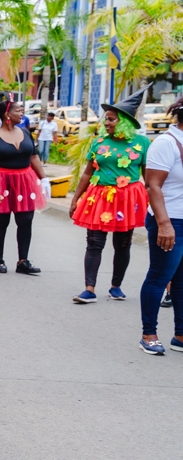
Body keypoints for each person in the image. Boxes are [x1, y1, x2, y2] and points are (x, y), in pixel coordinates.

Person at [68, 96, 146, 305]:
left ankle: (116, 286)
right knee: (94, 243)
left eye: (111, 119)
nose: (107, 123)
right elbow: (87, 173)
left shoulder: (143, 143)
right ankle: (89, 289)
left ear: (125, 122)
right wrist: (76, 198)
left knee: (123, 244)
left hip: (127, 198)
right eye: (106, 119)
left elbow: (148, 177)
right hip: (100, 197)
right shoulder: (99, 142)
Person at [0, 99, 46, 275]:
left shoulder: (25, 132)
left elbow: (34, 158)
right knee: (1, 221)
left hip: (24, 181)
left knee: (26, 220)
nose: (22, 113)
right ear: (8, 114)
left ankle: (23, 260)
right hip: (0, 181)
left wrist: (44, 179)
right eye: (19, 110)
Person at [140, 97, 183, 355]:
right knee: (159, 277)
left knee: (181, 280)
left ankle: (180, 335)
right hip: (168, 219)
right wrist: (164, 224)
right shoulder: (166, 143)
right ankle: (149, 334)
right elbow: (152, 185)